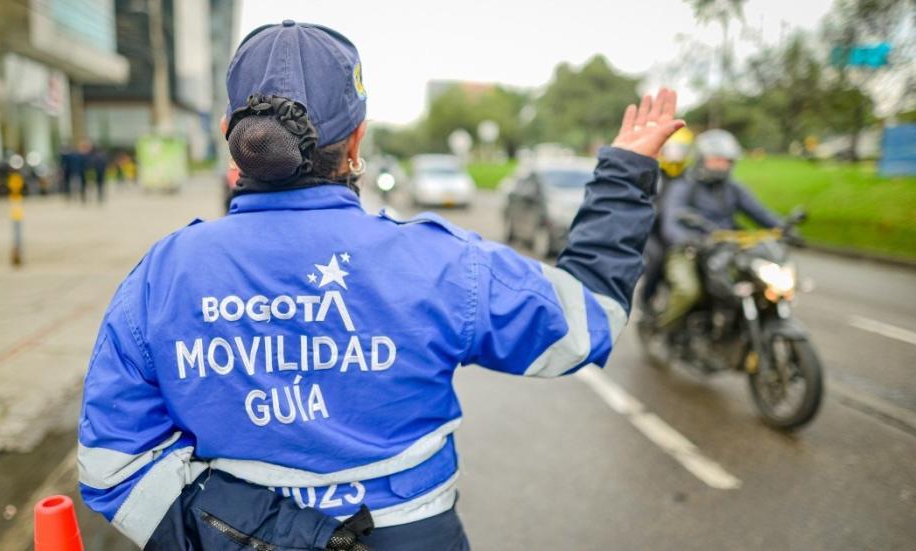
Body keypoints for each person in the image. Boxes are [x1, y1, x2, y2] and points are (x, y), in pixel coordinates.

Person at [77, 20, 684, 550]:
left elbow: (110, 467)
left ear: (231, 135)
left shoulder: (164, 273)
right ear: (358, 139)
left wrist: (262, 532)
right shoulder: (437, 263)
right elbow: (586, 320)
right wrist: (624, 175)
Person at [657, 129, 782, 328]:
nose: (720, 165)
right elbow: (670, 220)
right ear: (702, 159)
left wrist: (784, 228)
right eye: (715, 160)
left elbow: (759, 212)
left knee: (755, 283)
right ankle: (662, 329)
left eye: (725, 161)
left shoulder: (733, 188)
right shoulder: (684, 185)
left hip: (725, 250)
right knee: (688, 290)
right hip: (689, 249)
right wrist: (685, 239)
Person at [640, 126, 694, 312]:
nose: (676, 155)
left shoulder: (690, 177)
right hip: (651, 232)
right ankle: (645, 299)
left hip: (677, 232)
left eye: (681, 150)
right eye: (672, 149)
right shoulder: (651, 174)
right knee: (657, 259)